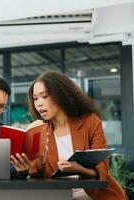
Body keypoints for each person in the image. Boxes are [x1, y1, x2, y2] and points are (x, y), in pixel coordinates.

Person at [11, 72, 127, 200]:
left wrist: (79, 169)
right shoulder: (39, 129)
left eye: (44, 96)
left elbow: (102, 170)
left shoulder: (90, 121)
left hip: (97, 196)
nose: (38, 103)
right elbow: (36, 176)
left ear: (61, 95)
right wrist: (39, 160)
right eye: (35, 98)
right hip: (60, 196)